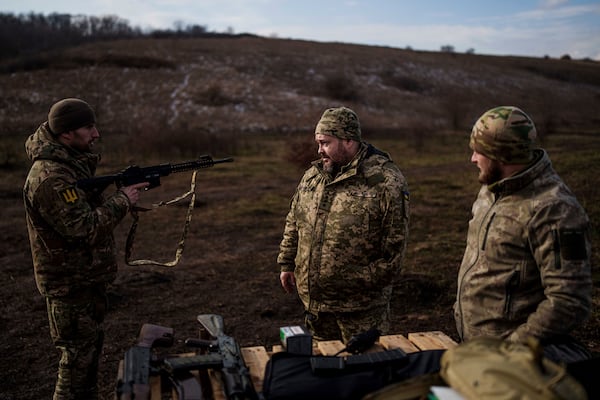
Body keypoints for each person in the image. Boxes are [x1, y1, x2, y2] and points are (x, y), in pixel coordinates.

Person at [23, 98, 148, 399]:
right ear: (67, 133)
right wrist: (122, 199)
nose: (96, 134)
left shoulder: (68, 164)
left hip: (83, 281)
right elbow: (85, 228)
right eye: (89, 127)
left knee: (87, 360)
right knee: (76, 366)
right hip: (69, 287)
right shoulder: (51, 177)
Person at [454, 105, 593, 363]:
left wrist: (511, 349)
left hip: (511, 361)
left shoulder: (554, 210)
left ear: (501, 155)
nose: (473, 158)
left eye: (479, 151)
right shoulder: (492, 189)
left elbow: (569, 300)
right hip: (476, 350)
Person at [277, 106, 410, 343]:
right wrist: (287, 263)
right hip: (316, 307)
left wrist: (355, 282)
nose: (319, 150)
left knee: (366, 370)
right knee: (324, 368)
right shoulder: (313, 176)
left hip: (360, 310)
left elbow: (394, 250)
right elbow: (294, 220)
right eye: (318, 143)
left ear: (349, 140)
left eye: (326, 143)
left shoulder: (385, 181)